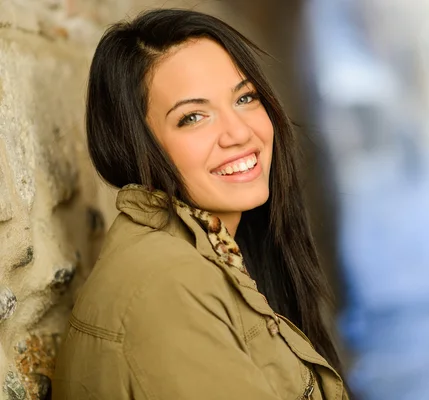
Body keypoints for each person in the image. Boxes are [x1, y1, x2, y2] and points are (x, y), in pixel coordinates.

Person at [52, 8, 348, 400]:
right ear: (135, 144)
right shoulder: (167, 291)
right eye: (193, 117)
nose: (239, 132)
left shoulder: (209, 257)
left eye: (245, 97)